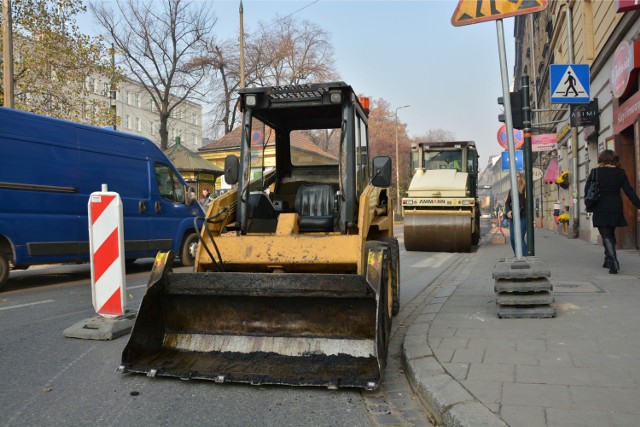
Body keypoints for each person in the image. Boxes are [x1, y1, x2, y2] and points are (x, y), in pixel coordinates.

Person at [584, 149, 640, 274]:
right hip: (615, 206)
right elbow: (629, 191)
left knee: (606, 235)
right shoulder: (620, 173)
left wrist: (588, 204)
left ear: (602, 159)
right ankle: (607, 259)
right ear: (614, 159)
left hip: (600, 206)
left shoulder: (595, 172)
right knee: (610, 233)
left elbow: (587, 190)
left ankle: (613, 262)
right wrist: (638, 204)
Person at [505, 171, 527, 256]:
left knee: (519, 238)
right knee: (513, 239)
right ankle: (517, 255)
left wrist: (517, 210)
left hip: (523, 217)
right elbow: (507, 203)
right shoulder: (511, 190)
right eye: (514, 177)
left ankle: (525, 256)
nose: (516, 178)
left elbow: (524, 204)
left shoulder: (524, 188)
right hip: (513, 218)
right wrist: (508, 211)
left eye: (517, 177)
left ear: (521, 177)